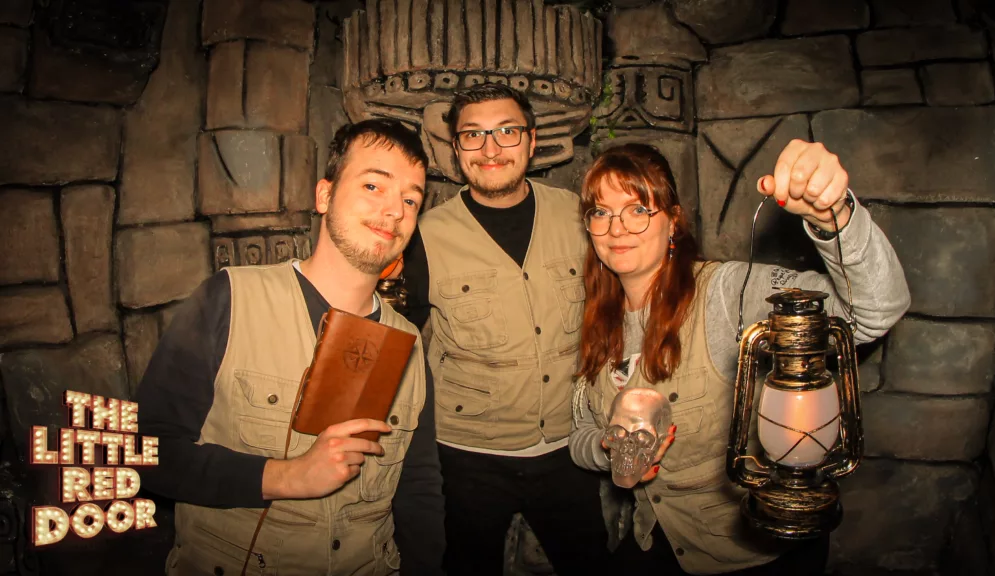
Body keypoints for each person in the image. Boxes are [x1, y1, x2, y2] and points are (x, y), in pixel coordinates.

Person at [568, 142, 911, 575]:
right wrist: (609, 449)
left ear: (673, 220)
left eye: (637, 209)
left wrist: (834, 219)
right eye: (600, 212)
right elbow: (580, 431)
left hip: (753, 554)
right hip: (659, 540)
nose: (616, 228)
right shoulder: (598, 317)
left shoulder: (727, 294)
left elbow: (871, 315)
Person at [135, 120, 445, 576]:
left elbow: (419, 486)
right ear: (324, 196)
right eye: (373, 185)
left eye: (411, 199)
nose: (394, 210)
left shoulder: (410, 343)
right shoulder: (229, 299)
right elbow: (144, 450)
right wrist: (285, 476)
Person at [401, 83, 612, 575]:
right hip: (465, 458)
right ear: (456, 149)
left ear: (531, 141)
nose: (490, 149)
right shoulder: (424, 235)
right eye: (473, 135)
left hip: (568, 449)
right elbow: (398, 334)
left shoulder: (579, 216)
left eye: (507, 132)